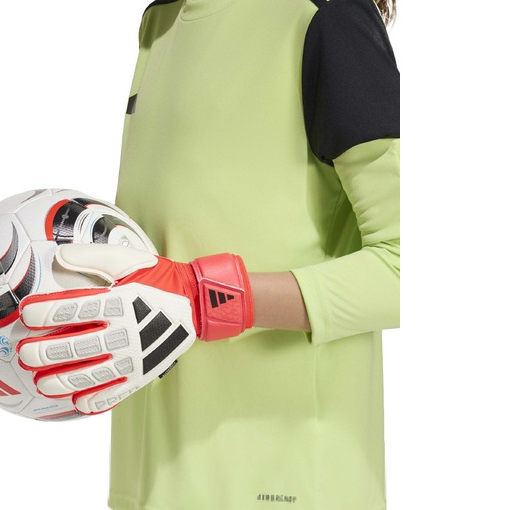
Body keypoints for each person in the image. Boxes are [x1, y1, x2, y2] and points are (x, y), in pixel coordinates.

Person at [20, 0, 400, 508]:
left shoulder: (326, 18)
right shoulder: (162, 21)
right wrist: (9, 310)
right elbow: (154, 267)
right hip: (152, 484)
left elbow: (404, 266)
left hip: (281, 487)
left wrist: (205, 297)